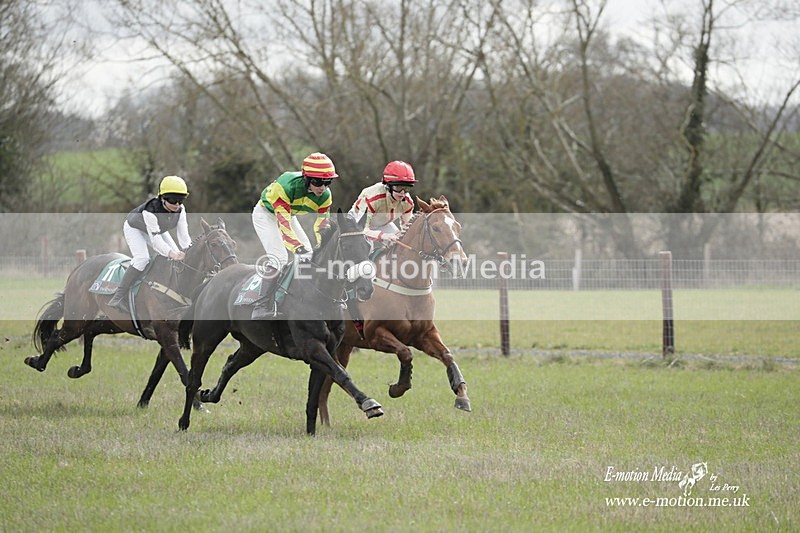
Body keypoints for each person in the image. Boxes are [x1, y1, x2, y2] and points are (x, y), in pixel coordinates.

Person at [250, 152, 336, 319]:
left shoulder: (326, 196)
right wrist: (297, 248)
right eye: (318, 182)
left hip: (289, 215)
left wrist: (322, 246)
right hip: (266, 214)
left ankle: (300, 298)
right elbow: (284, 225)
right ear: (306, 178)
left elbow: (322, 225)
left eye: (327, 182)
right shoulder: (286, 186)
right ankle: (260, 305)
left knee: (310, 253)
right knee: (280, 257)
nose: (323, 187)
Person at [107, 175, 192, 313]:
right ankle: (118, 297)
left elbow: (184, 236)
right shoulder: (150, 211)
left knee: (176, 256)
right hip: (135, 228)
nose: (177, 204)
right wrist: (172, 254)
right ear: (162, 198)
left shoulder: (181, 210)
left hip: (157, 229)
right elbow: (156, 242)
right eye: (173, 199)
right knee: (142, 259)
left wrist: (188, 252)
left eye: (181, 200)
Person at [349, 160, 416, 246]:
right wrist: (383, 236)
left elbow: (407, 228)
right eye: (398, 187)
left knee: (399, 243)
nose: (402, 193)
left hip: (382, 224)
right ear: (388, 186)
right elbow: (364, 230)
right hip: (357, 225)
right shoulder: (373, 199)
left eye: (407, 188)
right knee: (368, 246)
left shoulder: (408, 202)